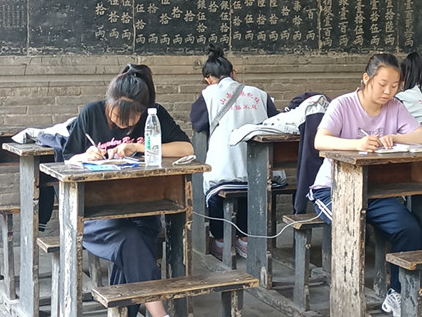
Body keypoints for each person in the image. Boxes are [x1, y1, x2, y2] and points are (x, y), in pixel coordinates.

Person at [64, 63, 193, 317]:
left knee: (138, 239)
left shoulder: (154, 115)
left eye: (130, 119)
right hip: (93, 215)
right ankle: (160, 314)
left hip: (142, 210)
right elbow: (66, 159)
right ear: (108, 103)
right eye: (116, 116)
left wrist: (141, 147)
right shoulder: (91, 113)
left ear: (142, 110)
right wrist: (84, 156)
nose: (122, 124)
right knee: (132, 240)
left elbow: (186, 149)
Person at [308, 53, 422, 317]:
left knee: (409, 228)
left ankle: (397, 293)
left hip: (373, 191)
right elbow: (320, 141)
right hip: (332, 191)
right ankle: (348, 301)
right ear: (366, 79)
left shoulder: (395, 107)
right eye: (382, 84)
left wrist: (394, 137)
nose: (388, 91)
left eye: (395, 86)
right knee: (352, 227)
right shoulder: (343, 105)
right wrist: (358, 144)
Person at [190, 43, 278, 261]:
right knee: (250, 190)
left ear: (208, 79)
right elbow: (275, 121)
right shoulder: (259, 94)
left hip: (224, 169)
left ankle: (220, 241)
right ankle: (245, 240)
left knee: (214, 194)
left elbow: (198, 123)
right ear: (234, 73)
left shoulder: (209, 95)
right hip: (259, 171)